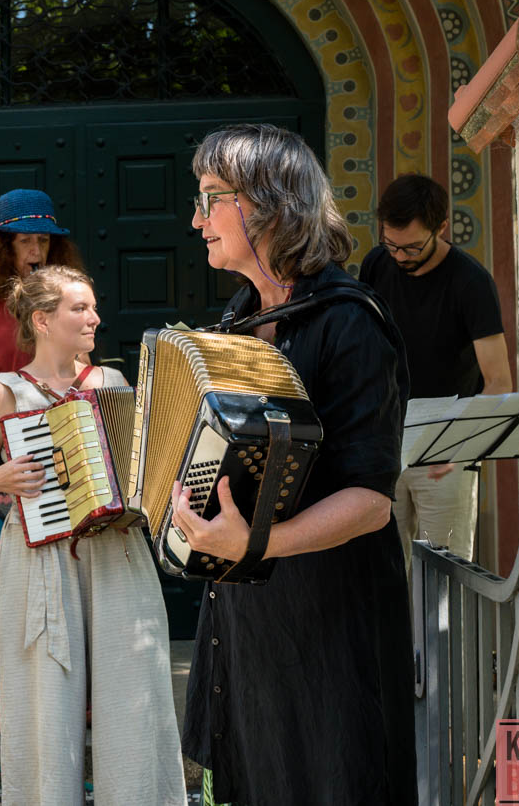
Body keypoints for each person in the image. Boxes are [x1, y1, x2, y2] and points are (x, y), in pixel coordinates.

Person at [172, 124, 415, 805]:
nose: (196, 220)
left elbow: (371, 501)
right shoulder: (239, 317)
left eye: (210, 198)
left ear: (269, 203)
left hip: (332, 626)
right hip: (251, 624)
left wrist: (254, 543)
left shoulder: (351, 321)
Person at [0, 265, 185, 806]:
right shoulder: (4, 393)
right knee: (44, 707)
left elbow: (143, 468)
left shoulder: (112, 384)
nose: (94, 317)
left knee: (133, 693)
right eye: (80, 308)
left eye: (93, 307)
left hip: (117, 553)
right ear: (42, 320)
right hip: (39, 562)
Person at [0, 188, 83, 733]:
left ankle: (74, 694)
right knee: (1, 585)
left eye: (44, 241)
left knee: (71, 578)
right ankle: (5, 699)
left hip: (64, 451)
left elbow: (79, 369)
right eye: (25, 241)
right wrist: (17, 389)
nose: (36, 251)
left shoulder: (65, 298)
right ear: (1, 247)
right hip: (4, 454)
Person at [359, 173, 512, 568]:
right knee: (384, 573)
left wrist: (462, 448)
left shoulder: (471, 282)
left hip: (447, 447)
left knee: (447, 573)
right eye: (390, 244)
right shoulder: (376, 264)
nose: (399, 257)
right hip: (386, 439)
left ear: (441, 228)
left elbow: (498, 381)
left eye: (412, 247)